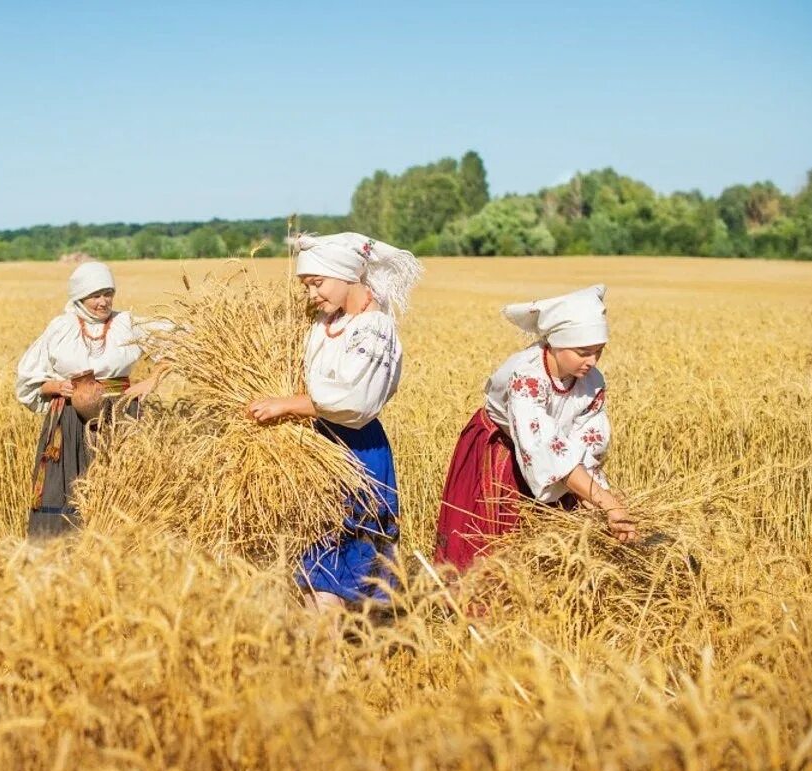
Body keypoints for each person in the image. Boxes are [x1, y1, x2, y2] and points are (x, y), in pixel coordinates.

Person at [248, 232, 421, 611]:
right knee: (314, 572)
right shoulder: (324, 323)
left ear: (347, 276)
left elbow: (354, 401)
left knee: (350, 572)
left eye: (317, 283)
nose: (311, 294)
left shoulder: (375, 329)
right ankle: (323, 662)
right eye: (306, 285)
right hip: (313, 449)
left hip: (355, 453)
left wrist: (286, 405)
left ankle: (350, 658)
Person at [433, 284, 637, 572]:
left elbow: (589, 440)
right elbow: (540, 445)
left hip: (559, 466)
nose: (592, 361)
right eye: (583, 352)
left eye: (599, 352)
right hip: (499, 455)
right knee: (496, 550)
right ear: (556, 343)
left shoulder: (592, 381)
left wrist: (594, 495)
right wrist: (605, 500)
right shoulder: (526, 375)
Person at [15, 261, 159, 538]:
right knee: (67, 485)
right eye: (95, 295)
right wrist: (56, 385)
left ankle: (121, 551)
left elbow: (179, 342)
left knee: (121, 483)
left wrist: (152, 380)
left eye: (108, 293)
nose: (103, 301)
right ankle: (59, 552)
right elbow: (29, 383)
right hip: (68, 420)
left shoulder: (127, 323)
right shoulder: (61, 327)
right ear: (79, 297)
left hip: (120, 416)